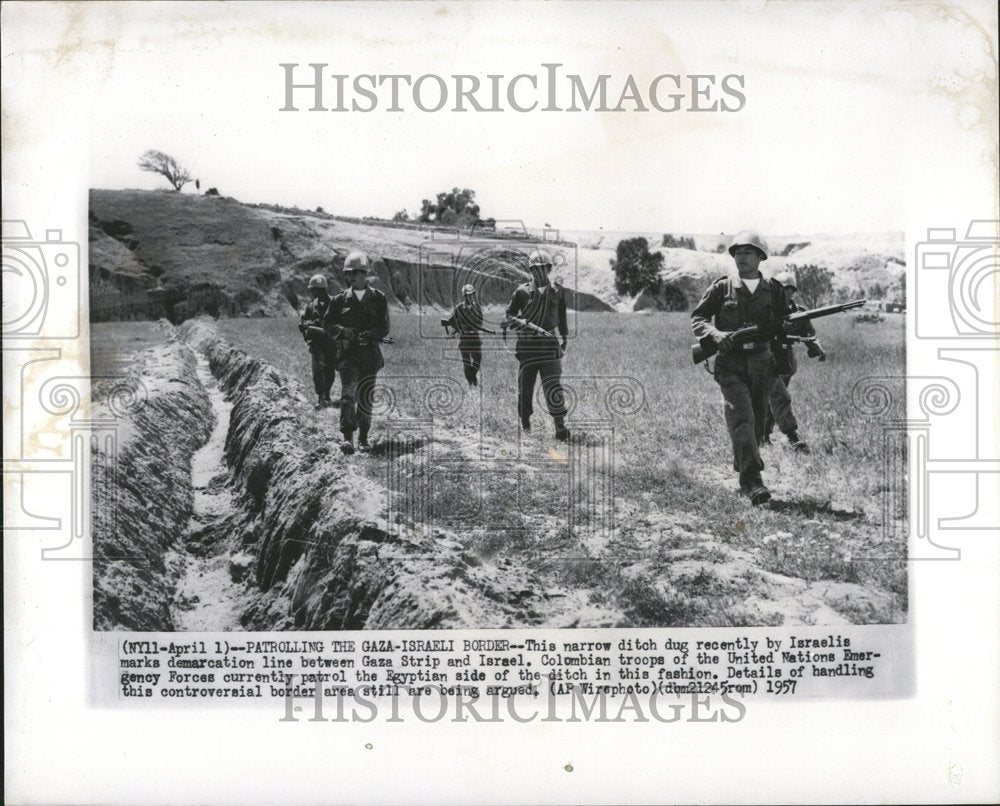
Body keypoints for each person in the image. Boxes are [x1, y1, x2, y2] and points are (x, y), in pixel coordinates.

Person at [691, 230, 793, 505]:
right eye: (737, 252)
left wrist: (787, 334)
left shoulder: (774, 290)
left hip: (763, 364)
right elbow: (698, 317)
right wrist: (714, 334)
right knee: (742, 420)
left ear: (761, 257)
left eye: (748, 252)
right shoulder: (721, 288)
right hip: (731, 364)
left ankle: (744, 465)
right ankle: (752, 481)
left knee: (757, 426)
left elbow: (786, 324)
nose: (741, 257)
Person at [324, 251, 390, 454]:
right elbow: (327, 324)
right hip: (348, 355)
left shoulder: (378, 298)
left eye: (356, 273)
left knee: (365, 397)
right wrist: (344, 331)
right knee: (347, 396)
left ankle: (363, 438)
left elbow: (384, 327)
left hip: (370, 355)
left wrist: (370, 334)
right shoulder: (339, 300)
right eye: (348, 273)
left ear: (365, 274)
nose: (351, 277)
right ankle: (347, 438)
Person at [503, 249, 570, 441]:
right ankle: (525, 425)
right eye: (536, 269)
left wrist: (564, 337)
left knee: (553, 386)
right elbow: (508, 315)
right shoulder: (522, 291)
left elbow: (563, 316)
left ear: (549, 269)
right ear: (531, 271)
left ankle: (560, 428)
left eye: (544, 268)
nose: (539, 272)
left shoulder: (558, 290)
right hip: (528, 349)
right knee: (525, 388)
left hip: (550, 346)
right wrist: (522, 323)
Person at [764, 270, 824, 451]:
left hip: (786, 362)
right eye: (783, 289)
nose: (786, 293)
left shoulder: (799, 312)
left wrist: (817, 348)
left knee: (773, 400)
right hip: (767, 358)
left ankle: (763, 436)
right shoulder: (767, 310)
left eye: (790, 289)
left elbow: (810, 334)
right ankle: (792, 437)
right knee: (781, 397)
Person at [297, 274, 337, 410]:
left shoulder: (334, 303)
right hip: (317, 343)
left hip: (331, 343)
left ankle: (327, 394)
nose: (313, 292)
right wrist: (305, 326)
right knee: (317, 371)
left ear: (322, 289)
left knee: (329, 370)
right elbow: (305, 320)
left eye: (315, 289)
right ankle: (321, 397)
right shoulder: (311, 306)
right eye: (312, 290)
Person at [443, 284, 485, 387]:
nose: (470, 297)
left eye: (471, 295)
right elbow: (451, 321)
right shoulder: (459, 308)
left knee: (477, 360)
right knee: (466, 362)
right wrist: (459, 329)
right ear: (464, 296)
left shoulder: (477, 307)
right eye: (468, 295)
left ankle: (472, 377)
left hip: (475, 338)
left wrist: (476, 327)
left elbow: (480, 320)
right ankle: (472, 383)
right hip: (464, 339)